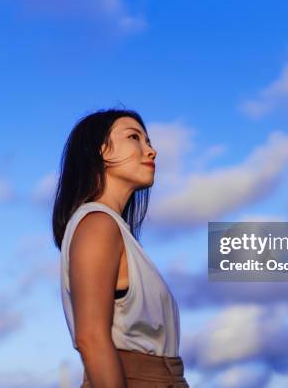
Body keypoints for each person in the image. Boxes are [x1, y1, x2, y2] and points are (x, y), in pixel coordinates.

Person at [52, 108, 189, 387]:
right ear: (102, 151)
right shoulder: (97, 224)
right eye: (134, 137)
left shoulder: (113, 229)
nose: (151, 151)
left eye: (148, 141)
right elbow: (91, 339)